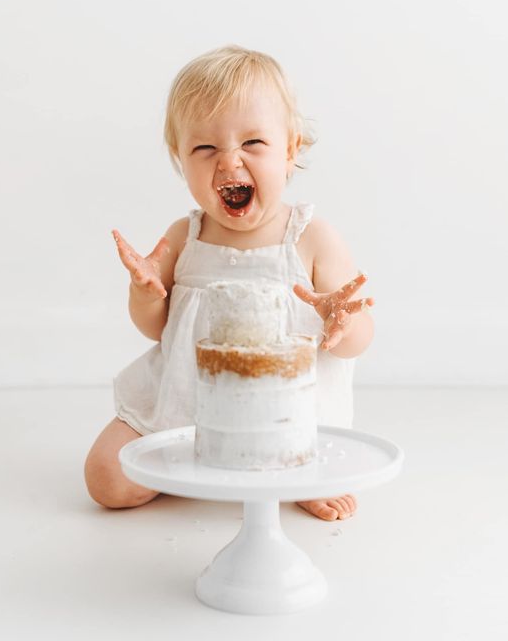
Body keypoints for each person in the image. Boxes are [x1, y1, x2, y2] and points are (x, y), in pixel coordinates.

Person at [84, 45, 374, 521]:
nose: (229, 161)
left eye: (253, 144)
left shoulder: (311, 239)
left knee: (312, 458)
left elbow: (358, 341)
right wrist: (145, 294)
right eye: (205, 148)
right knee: (106, 480)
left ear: (290, 150)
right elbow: (159, 331)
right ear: (181, 160)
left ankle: (286, 468)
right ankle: (201, 463)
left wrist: (343, 322)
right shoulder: (185, 238)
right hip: (190, 407)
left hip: (288, 417)